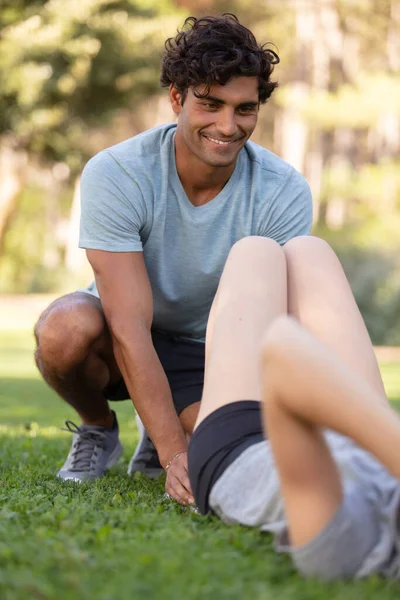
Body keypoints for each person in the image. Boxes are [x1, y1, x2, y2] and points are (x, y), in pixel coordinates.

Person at [33, 14, 312, 504]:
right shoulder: (118, 172)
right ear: (178, 99)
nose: (228, 126)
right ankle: (99, 428)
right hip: (125, 330)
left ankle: (164, 422)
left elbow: (273, 325)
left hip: (210, 349)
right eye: (210, 105)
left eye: (244, 109)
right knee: (63, 330)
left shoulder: (283, 190)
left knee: (226, 448)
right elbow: (128, 325)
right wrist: (173, 453)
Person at [188, 235, 400, 580]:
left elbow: (282, 351)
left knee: (253, 252)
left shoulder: (350, 550)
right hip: (359, 437)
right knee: (309, 249)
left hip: (239, 446)